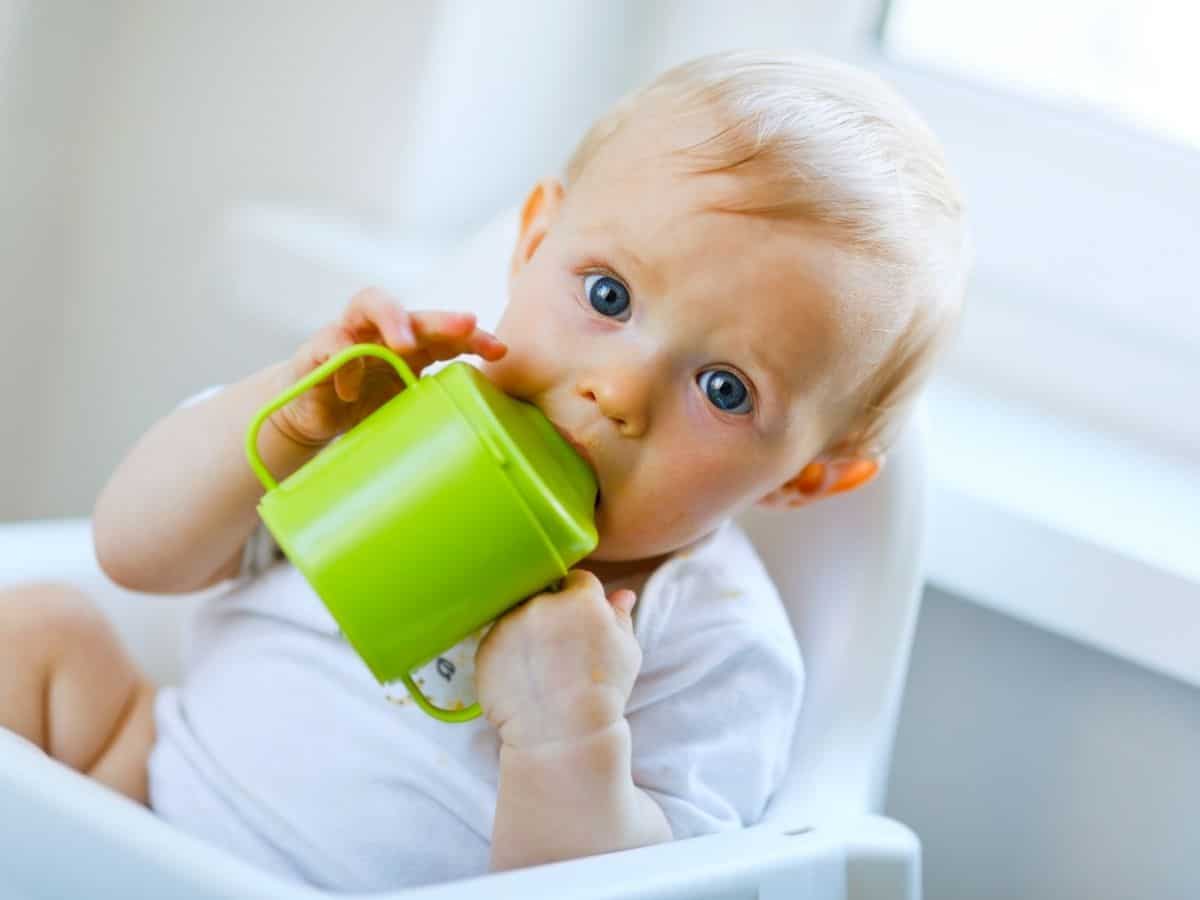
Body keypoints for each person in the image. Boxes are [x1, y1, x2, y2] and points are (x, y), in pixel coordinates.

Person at [0, 50, 970, 890]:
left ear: (805, 479)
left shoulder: (713, 645)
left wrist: (570, 739)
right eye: (608, 293)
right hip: (144, 791)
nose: (618, 390)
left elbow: (636, 896)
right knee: (40, 627)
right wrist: (284, 422)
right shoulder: (396, 423)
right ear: (534, 242)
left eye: (724, 389)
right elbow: (133, 554)